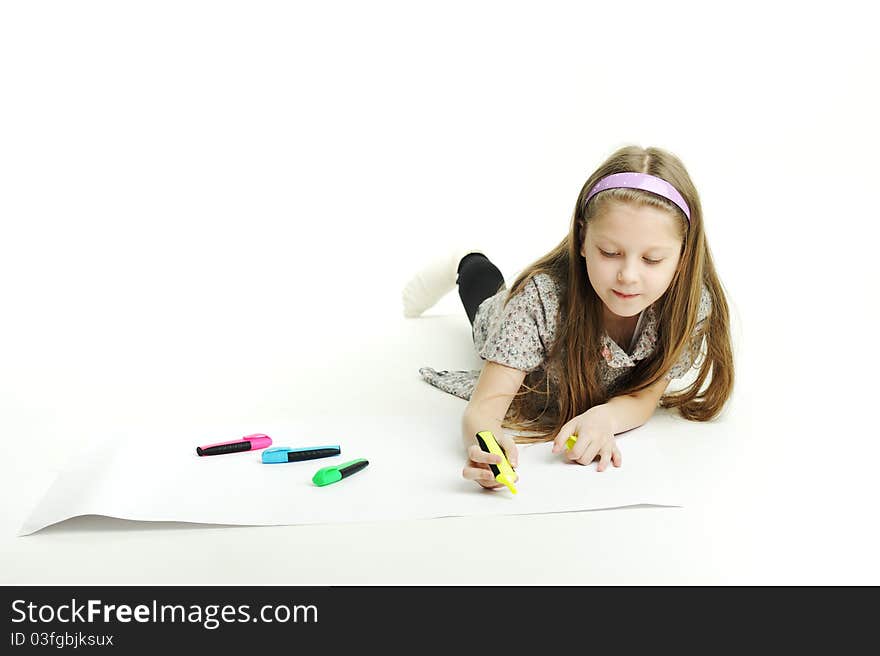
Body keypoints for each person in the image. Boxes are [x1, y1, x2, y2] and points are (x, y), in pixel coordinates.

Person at [403, 145, 735, 490]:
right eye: (609, 252)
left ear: (683, 256)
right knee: (486, 298)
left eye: (652, 259)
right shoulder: (538, 301)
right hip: (508, 322)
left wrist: (605, 416)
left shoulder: (690, 308)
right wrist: (487, 444)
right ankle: (464, 258)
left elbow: (645, 396)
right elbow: (484, 408)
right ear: (581, 239)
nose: (628, 276)